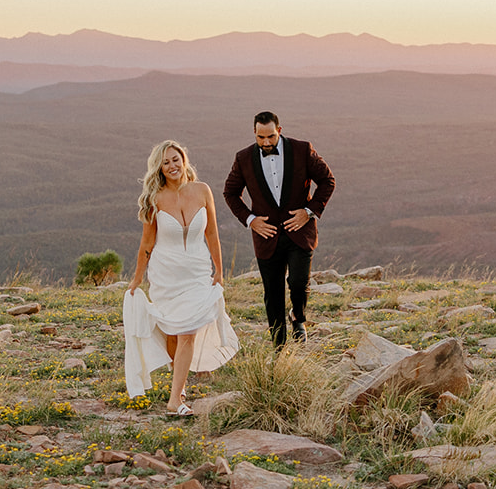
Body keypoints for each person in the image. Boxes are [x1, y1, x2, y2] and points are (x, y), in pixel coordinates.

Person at [123, 139, 238, 415]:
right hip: (166, 276)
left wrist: (220, 270)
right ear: (159, 169)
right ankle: (180, 387)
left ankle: (175, 401)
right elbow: (147, 244)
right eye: (166, 162)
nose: (172, 165)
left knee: (188, 332)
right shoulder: (155, 198)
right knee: (175, 331)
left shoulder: (202, 191)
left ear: (184, 160)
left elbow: (212, 234)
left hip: (198, 273)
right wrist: (137, 280)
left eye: (175, 159)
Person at [223, 111, 337, 347]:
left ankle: (297, 317)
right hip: (267, 236)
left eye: (271, 137)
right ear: (254, 133)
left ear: (280, 131)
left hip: (300, 232)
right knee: (272, 293)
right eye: (261, 137)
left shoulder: (302, 150)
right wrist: (250, 219)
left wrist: (308, 212)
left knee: (297, 282)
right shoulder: (243, 158)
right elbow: (230, 193)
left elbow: (328, 181)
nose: (266, 142)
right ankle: (279, 347)